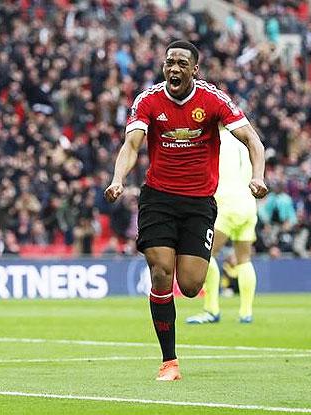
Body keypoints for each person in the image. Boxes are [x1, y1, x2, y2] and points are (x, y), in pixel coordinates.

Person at [105, 40, 267, 381]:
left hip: (198, 203)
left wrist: (258, 176)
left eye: (181, 63)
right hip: (158, 199)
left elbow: (253, 140)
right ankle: (169, 361)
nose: (174, 69)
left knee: (191, 285)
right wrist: (118, 178)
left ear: (195, 68)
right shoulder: (148, 100)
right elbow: (132, 143)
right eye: (169, 63)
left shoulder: (213, 100)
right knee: (161, 271)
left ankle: (195, 290)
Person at [186, 130, 260, 325]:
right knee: (244, 260)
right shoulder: (244, 139)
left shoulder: (213, 138)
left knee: (206, 255)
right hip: (247, 203)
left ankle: (211, 310)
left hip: (225, 204)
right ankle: (246, 313)